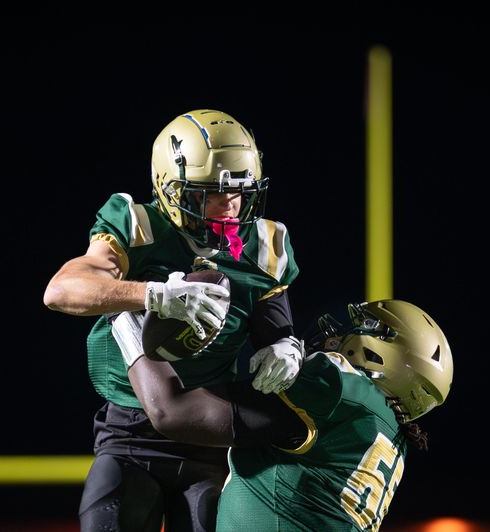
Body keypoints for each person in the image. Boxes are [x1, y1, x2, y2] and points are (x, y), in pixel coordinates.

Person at [43, 109, 304, 531]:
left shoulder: (264, 245)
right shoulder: (139, 226)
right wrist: (153, 294)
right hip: (130, 431)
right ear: (170, 188)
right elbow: (61, 291)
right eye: (212, 193)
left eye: (239, 193)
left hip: (211, 427)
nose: (230, 207)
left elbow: (275, 323)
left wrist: (285, 346)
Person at [120, 299, 454, 531]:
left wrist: (122, 315)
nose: (340, 333)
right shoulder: (390, 436)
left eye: (364, 326)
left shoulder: (337, 390)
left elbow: (170, 411)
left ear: (383, 354)